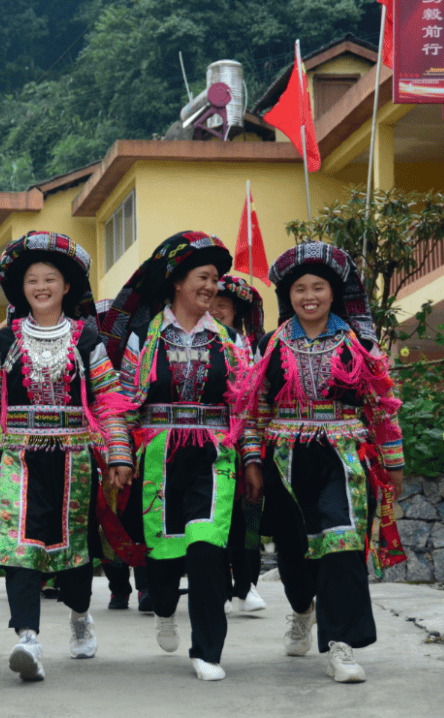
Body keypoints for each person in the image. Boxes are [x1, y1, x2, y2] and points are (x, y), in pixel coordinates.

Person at [237, 242, 404, 684]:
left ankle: (342, 645)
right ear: (287, 297)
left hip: (345, 457)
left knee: (342, 544)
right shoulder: (270, 345)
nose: (309, 296)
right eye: (299, 289)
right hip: (286, 459)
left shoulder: (359, 344)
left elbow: (381, 405)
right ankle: (301, 609)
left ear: (334, 293)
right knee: (294, 553)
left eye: (318, 287)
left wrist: (393, 462)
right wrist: (253, 461)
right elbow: (254, 411)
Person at [100, 231, 260, 681]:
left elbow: (243, 408)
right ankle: (165, 609)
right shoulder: (144, 339)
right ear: (176, 282)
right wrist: (119, 455)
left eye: (215, 279)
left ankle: (207, 650)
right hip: (159, 459)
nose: (211, 287)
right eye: (202, 277)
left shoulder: (230, 342)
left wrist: (251, 460)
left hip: (214, 456)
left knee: (208, 546)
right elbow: (124, 401)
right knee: (165, 562)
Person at [0, 231, 133, 682]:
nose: (41, 286)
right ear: (21, 289)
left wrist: (118, 454)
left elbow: (108, 399)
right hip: (19, 458)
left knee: (73, 550)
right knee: (19, 547)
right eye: (32, 279)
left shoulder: (87, 339)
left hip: (73, 457)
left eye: (50, 278)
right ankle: (27, 637)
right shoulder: (2, 341)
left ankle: (79, 615)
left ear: (67, 286)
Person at [208, 276, 268, 614]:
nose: (216, 312)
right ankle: (220, 585)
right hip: (213, 445)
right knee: (217, 521)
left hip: (252, 441)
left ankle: (248, 584)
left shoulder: (253, 348)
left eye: (224, 308)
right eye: (211, 304)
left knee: (249, 522)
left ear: (237, 314)